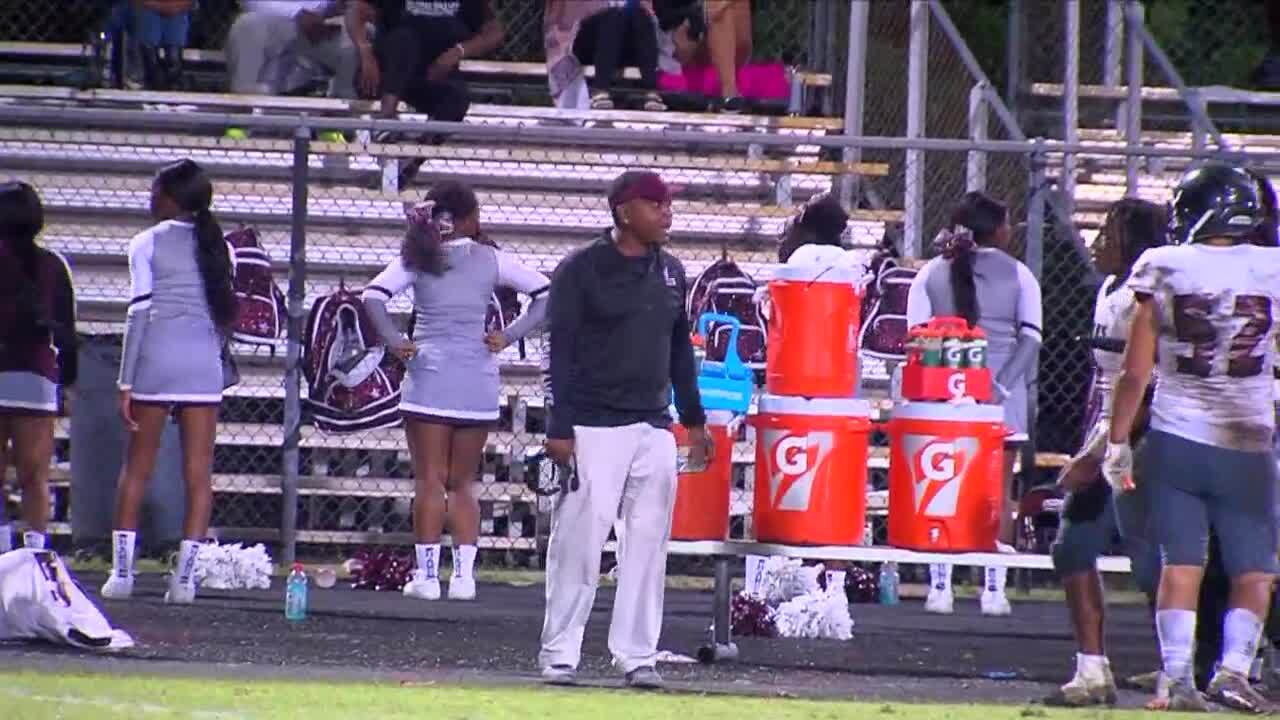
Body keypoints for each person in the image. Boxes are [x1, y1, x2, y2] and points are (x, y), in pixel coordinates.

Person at [1103, 163, 1280, 713]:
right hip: (1248, 438)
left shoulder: (1163, 264)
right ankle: (1232, 671)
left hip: (1178, 434)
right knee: (1256, 567)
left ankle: (1176, 679)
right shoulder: (1272, 268)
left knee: (1182, 562)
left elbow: (1136, 372)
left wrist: (1116, 443)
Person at [539, 170, 710, 690]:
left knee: (648, 543)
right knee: (578, 542)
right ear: (624, 211)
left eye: (667, 204)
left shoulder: (673, 272)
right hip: (593, 424)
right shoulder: (581, 270)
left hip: (653, 425)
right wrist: (559, 425)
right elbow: (560, 351)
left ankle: (638, 655)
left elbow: (680, 350)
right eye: (656, 204)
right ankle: (560, 654)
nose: (667, 212)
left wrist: (694, 420)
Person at [361, 181, 549, 601]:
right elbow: (545, 293)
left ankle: (427, 578)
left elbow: (372, 295)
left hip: (428, 374)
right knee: (464, 483)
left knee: (430, 480)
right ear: (470, 218)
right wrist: (509, 334)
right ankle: (463, 578)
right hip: (477, 379)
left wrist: (395, 341)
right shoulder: (492, 258)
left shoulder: (418, 258)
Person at [1044, 198, 1167, 707]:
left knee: (1152, 563)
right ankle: (1092, 670)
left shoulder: (1144, 297)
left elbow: (1144, 385)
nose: (1097, 243)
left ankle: (1181, 665)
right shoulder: (1111, 290)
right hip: (1107, 431)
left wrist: (1098, 453)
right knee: (1072, 546)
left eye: (1108, 233)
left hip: (1143, 439)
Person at [101, 159, 238, 605]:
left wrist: (126, 381)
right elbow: (224, 319)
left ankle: (122, 574)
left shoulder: (145, 242)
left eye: (156, 191)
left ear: (172, 198)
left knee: (136, 468)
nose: (151, 198)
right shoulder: (220, 246)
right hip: (203, 365)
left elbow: (139, 312)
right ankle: (185, 581)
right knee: (199, 474)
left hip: (157, 363)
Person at [905, 191, 1043, 618]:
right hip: (1003, 403)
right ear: (997, 230)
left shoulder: (930, 272)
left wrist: (953, 385)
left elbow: (915, 337)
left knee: (941, 490)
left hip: (943, 399)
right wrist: (998, 390)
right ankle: (993, 591)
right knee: (997, 493)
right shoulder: (1021, 274)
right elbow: (1031, 338)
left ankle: (940, 588)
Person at [0, 182, 77, 554]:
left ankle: (1, 551)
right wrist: (69, 384)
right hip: (35, 379)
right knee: (35, 478)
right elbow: (66, 331)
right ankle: (35, 554)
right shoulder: (53, 265)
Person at [346, 0, 504, 137]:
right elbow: (356, 9)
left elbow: (494, 31)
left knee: (457, 99)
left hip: (431, 73)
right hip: (385, 74)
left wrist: (458, 52)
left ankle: (413, 161)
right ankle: (386, 119)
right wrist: (365, 52)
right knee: (405, 39)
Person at [225, 1, 359, 101]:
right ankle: (241, 118)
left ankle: (341, 123)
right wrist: (298, 14)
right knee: (247, 24)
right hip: (277, 19)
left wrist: (337, 9)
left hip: (328, 22)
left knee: (359, 41)